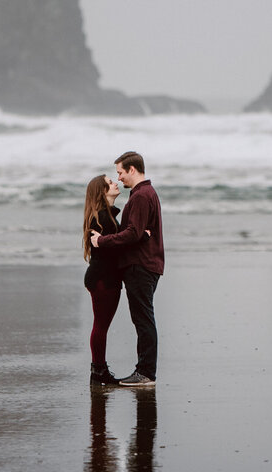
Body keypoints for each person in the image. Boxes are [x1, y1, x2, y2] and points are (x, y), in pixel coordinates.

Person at [90, 150, 164, 387]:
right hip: (144, 265)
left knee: (143, 320)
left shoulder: (141, 196)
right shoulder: (143, 194)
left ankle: (145, 373)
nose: (119, 178)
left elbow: (131, 233)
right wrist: (141, 235)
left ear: (132, 169)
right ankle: (144, 371)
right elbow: (136, 233)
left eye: (120, 172)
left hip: (141, 266)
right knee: (143, 319)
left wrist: (102, 241)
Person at [83, 174, 124, 386]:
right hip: (103, 279)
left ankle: (98, 370)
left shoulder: (104, 216)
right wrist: (141, 236)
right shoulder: (102, 217)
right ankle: (98, 371)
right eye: (110, 182)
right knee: (100, 326)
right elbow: (115, 247)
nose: (115, 183)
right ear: (102, 191)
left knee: (101, 325)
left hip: (101, 278)